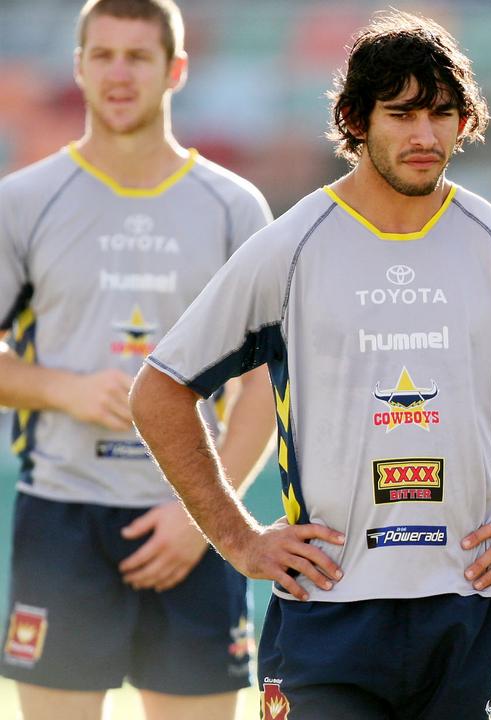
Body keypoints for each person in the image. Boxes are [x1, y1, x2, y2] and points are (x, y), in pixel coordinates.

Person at [130, 8, 491, 719]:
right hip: (324, 613)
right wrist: (240, 539)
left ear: (466, 121)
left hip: (463, 611)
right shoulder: (292, 248)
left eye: (443, 114)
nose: (426, 136)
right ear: (355, 121)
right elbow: (160, 392)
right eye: (401, 115)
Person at [0, 1, 277, 718]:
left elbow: (269, 388)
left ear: (175, 69)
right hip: (63, 515)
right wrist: (60, 388)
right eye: (103, 56)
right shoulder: (24, 203)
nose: (119, 74)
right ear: (79, 68)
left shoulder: (233, 207)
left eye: (139, 57)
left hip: (192, 519)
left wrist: (206, 516)